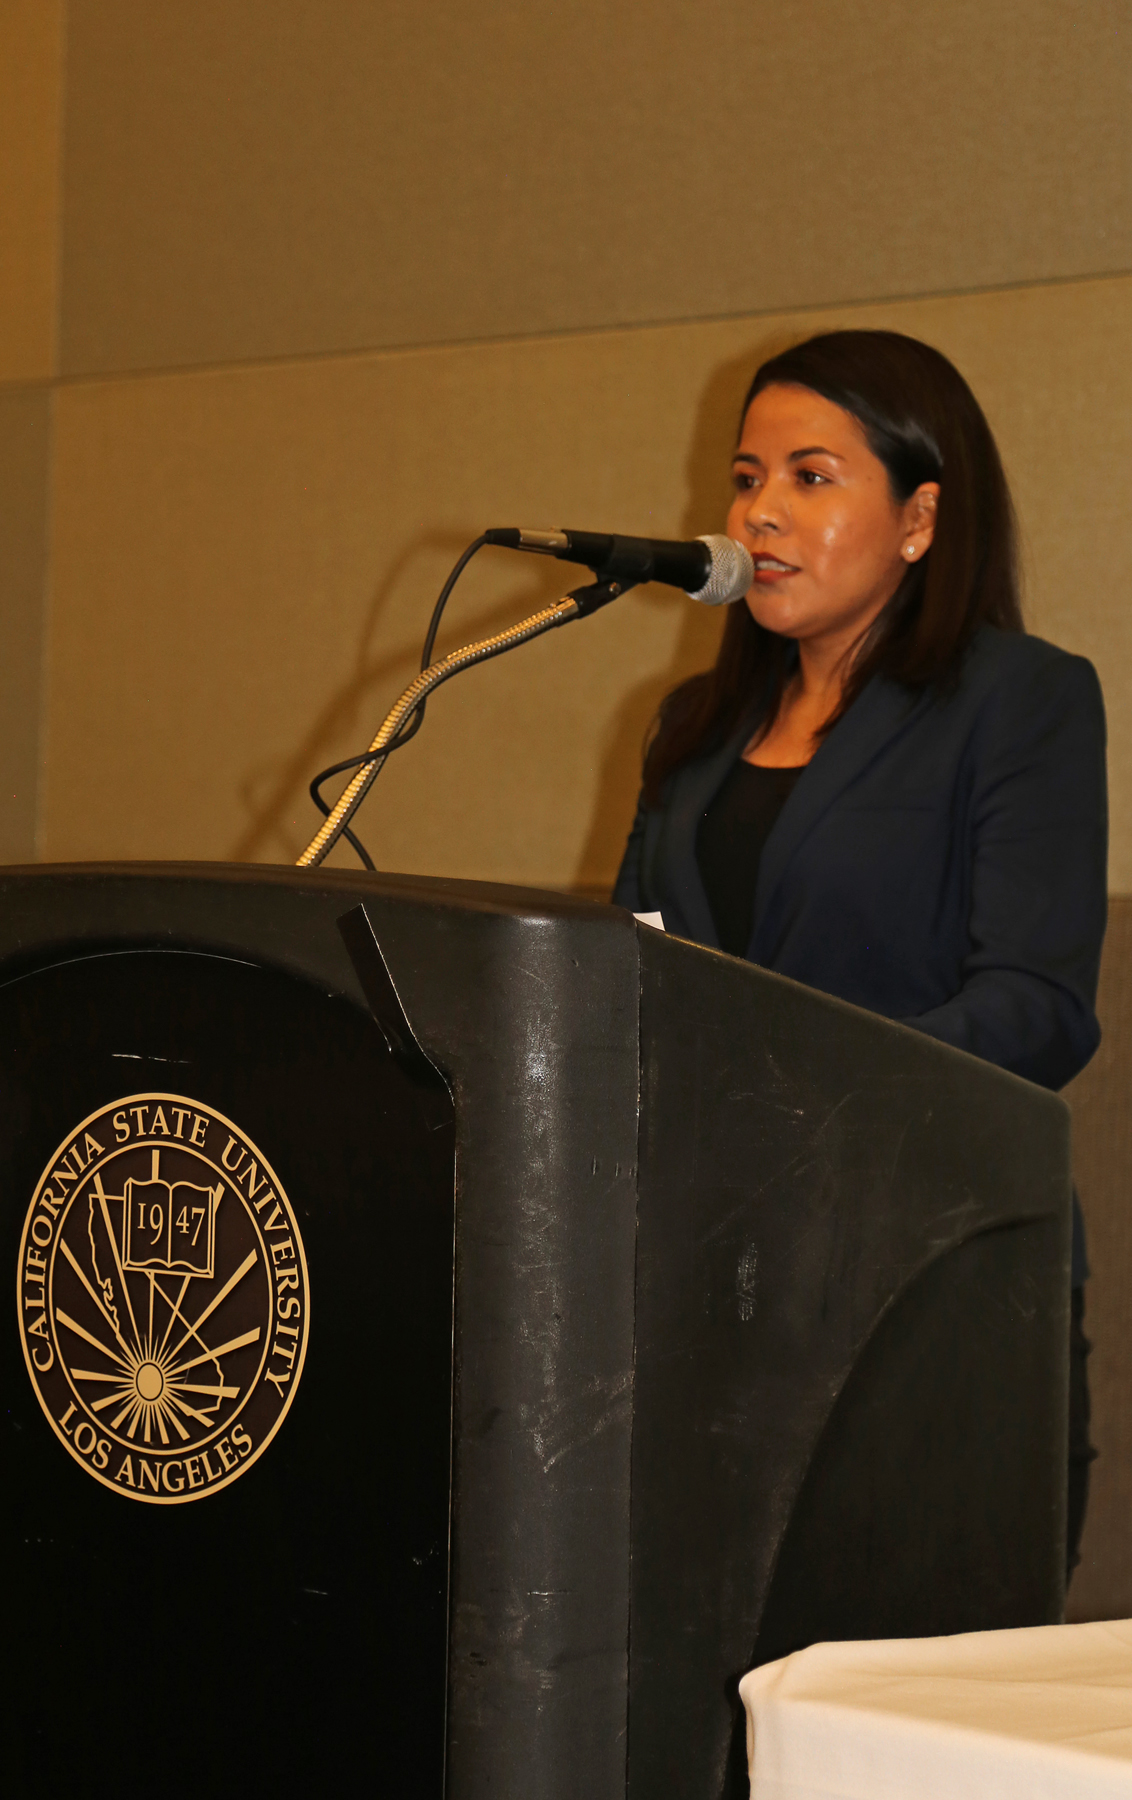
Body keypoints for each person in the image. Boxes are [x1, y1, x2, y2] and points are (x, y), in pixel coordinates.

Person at [613, 329, 1107, 1573]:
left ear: (920, 516)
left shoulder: (1018, 701)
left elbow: (1036, 1006)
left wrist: (799, 1104)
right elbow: (630, 972)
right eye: (744, 478)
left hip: (930, 1285)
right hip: (709, 1292)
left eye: (810, 476)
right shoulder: (692, 727)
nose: (758, 513)